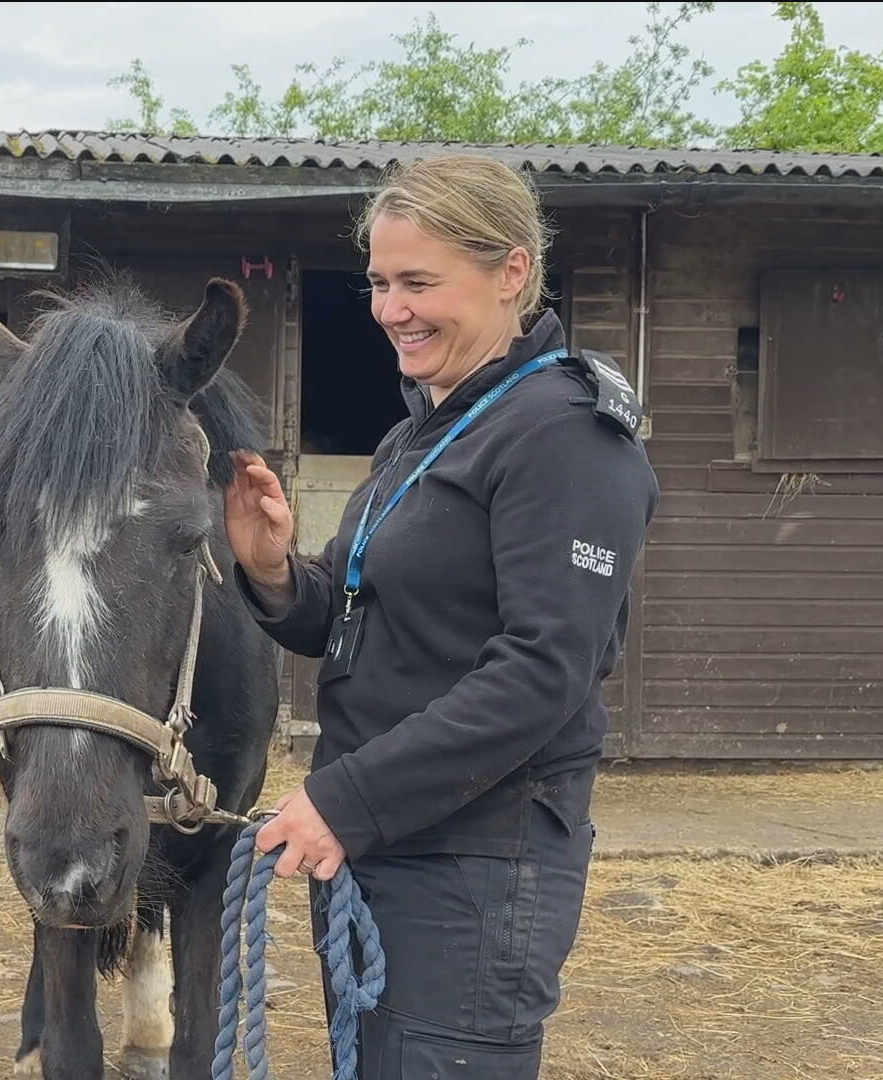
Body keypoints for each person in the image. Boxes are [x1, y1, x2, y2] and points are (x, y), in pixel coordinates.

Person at [223, 154, 659, 1079]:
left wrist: (342, 801)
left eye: (420, 281)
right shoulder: (422, 432)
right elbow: (339, 618)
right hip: (381, 850)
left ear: (510, 272)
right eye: (380, 283)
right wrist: (269, 567)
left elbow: (544, 670)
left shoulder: (565, 434)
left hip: (475, 866)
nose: (391, 309)